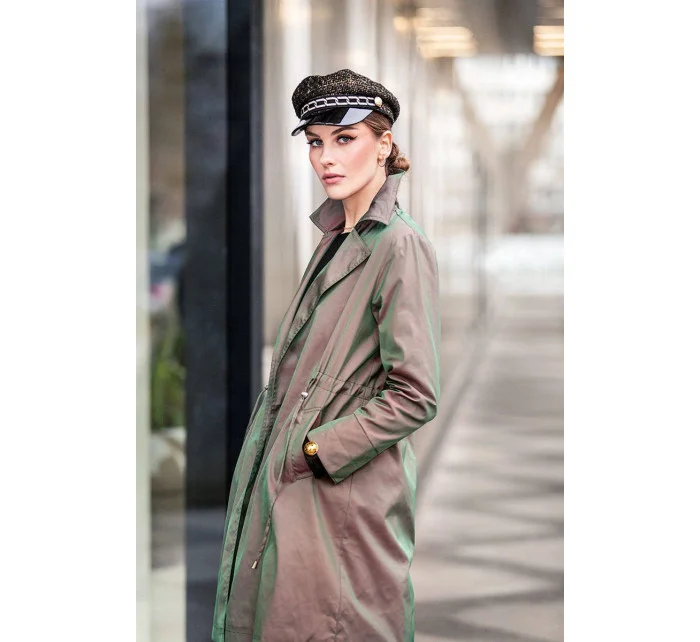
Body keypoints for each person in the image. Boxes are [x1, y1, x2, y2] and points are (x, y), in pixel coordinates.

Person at [212, 68, 441, 642]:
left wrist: (317, 449)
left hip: (342, 491)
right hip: (299, 485)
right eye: (315, 142)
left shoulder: (399, 245)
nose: (326, 158)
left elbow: (416, 393)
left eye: (345, 139)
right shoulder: (338, 235)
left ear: (384, 144)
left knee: (338, 624)